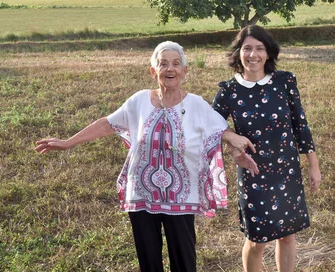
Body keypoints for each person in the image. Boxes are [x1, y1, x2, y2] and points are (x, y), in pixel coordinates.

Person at [35, 41, 258, 272]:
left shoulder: (196, 104)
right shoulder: (139, 100)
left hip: (181, 198)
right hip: (142, 194)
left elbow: (220, 129)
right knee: (148, 260)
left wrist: (235, 142)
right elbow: (108, 124)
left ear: (184, 71)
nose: (170, 69)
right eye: (162, 64)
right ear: (154, 72)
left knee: (184, 259)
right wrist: (68, 142)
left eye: (175, 64)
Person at [212, 25, 322, 272]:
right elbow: (208, 126)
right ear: (239, 53)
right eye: (247, 48)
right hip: (254, 174)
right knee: (257, 240)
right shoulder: (229, 90)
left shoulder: (284, 81)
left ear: (269, 53)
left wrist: (313, 166)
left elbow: (300, 126)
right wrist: (231, 136)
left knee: (287, 236)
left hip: (287, 171)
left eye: (260, 48)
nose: (253, 55)